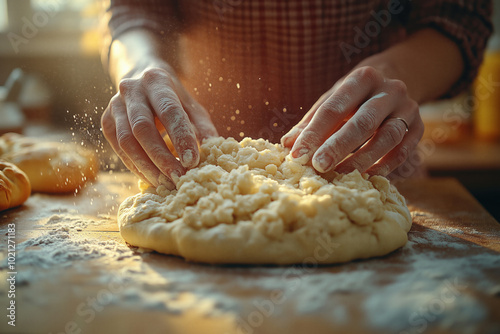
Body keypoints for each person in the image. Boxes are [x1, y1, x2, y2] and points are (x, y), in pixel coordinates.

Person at [100, 0, 492, 188]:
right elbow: (135, 10)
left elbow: (459, 18)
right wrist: (141, 65)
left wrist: (395, 73)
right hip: (195, 170)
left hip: (372, 168)